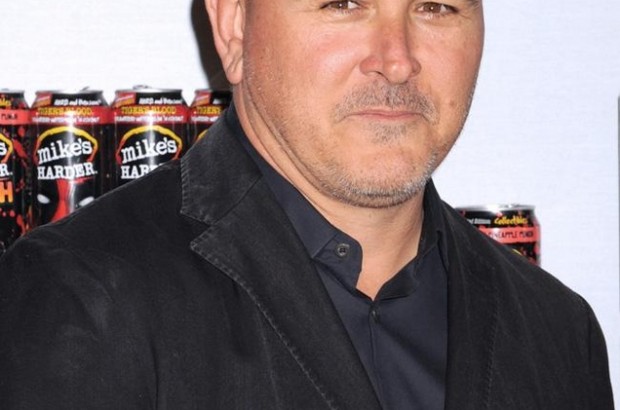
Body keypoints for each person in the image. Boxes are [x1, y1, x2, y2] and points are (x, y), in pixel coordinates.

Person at [0, 0, 614, 408]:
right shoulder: (77, 297)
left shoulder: (559, 333)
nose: (396, 60)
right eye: (342, 3)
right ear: (234, 26)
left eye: (435, 6)